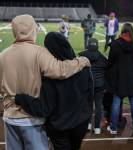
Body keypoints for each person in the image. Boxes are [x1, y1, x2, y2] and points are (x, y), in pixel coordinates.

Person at [0, 15, 90, 150]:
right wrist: (81, 61)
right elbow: (60, 70)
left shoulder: (3, 55)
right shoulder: (39, 52)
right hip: (32, 119)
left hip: (9, 117)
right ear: (32, 29)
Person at [106, 23, 133, 134]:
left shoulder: (115, 44)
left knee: (116, 102)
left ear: (122, 31)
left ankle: (113, 127)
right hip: (131, 77)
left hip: (119, 78)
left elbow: (110, 61)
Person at [79, 38, 107, 134]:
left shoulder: (81, 55)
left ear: (88, 45)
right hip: (99, 86)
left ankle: (88, 124)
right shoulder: (103, 58)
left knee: (88, 105)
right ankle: (97, 128)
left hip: (87, 85)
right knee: (99, 106)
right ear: (97, 45)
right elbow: (107, 72)